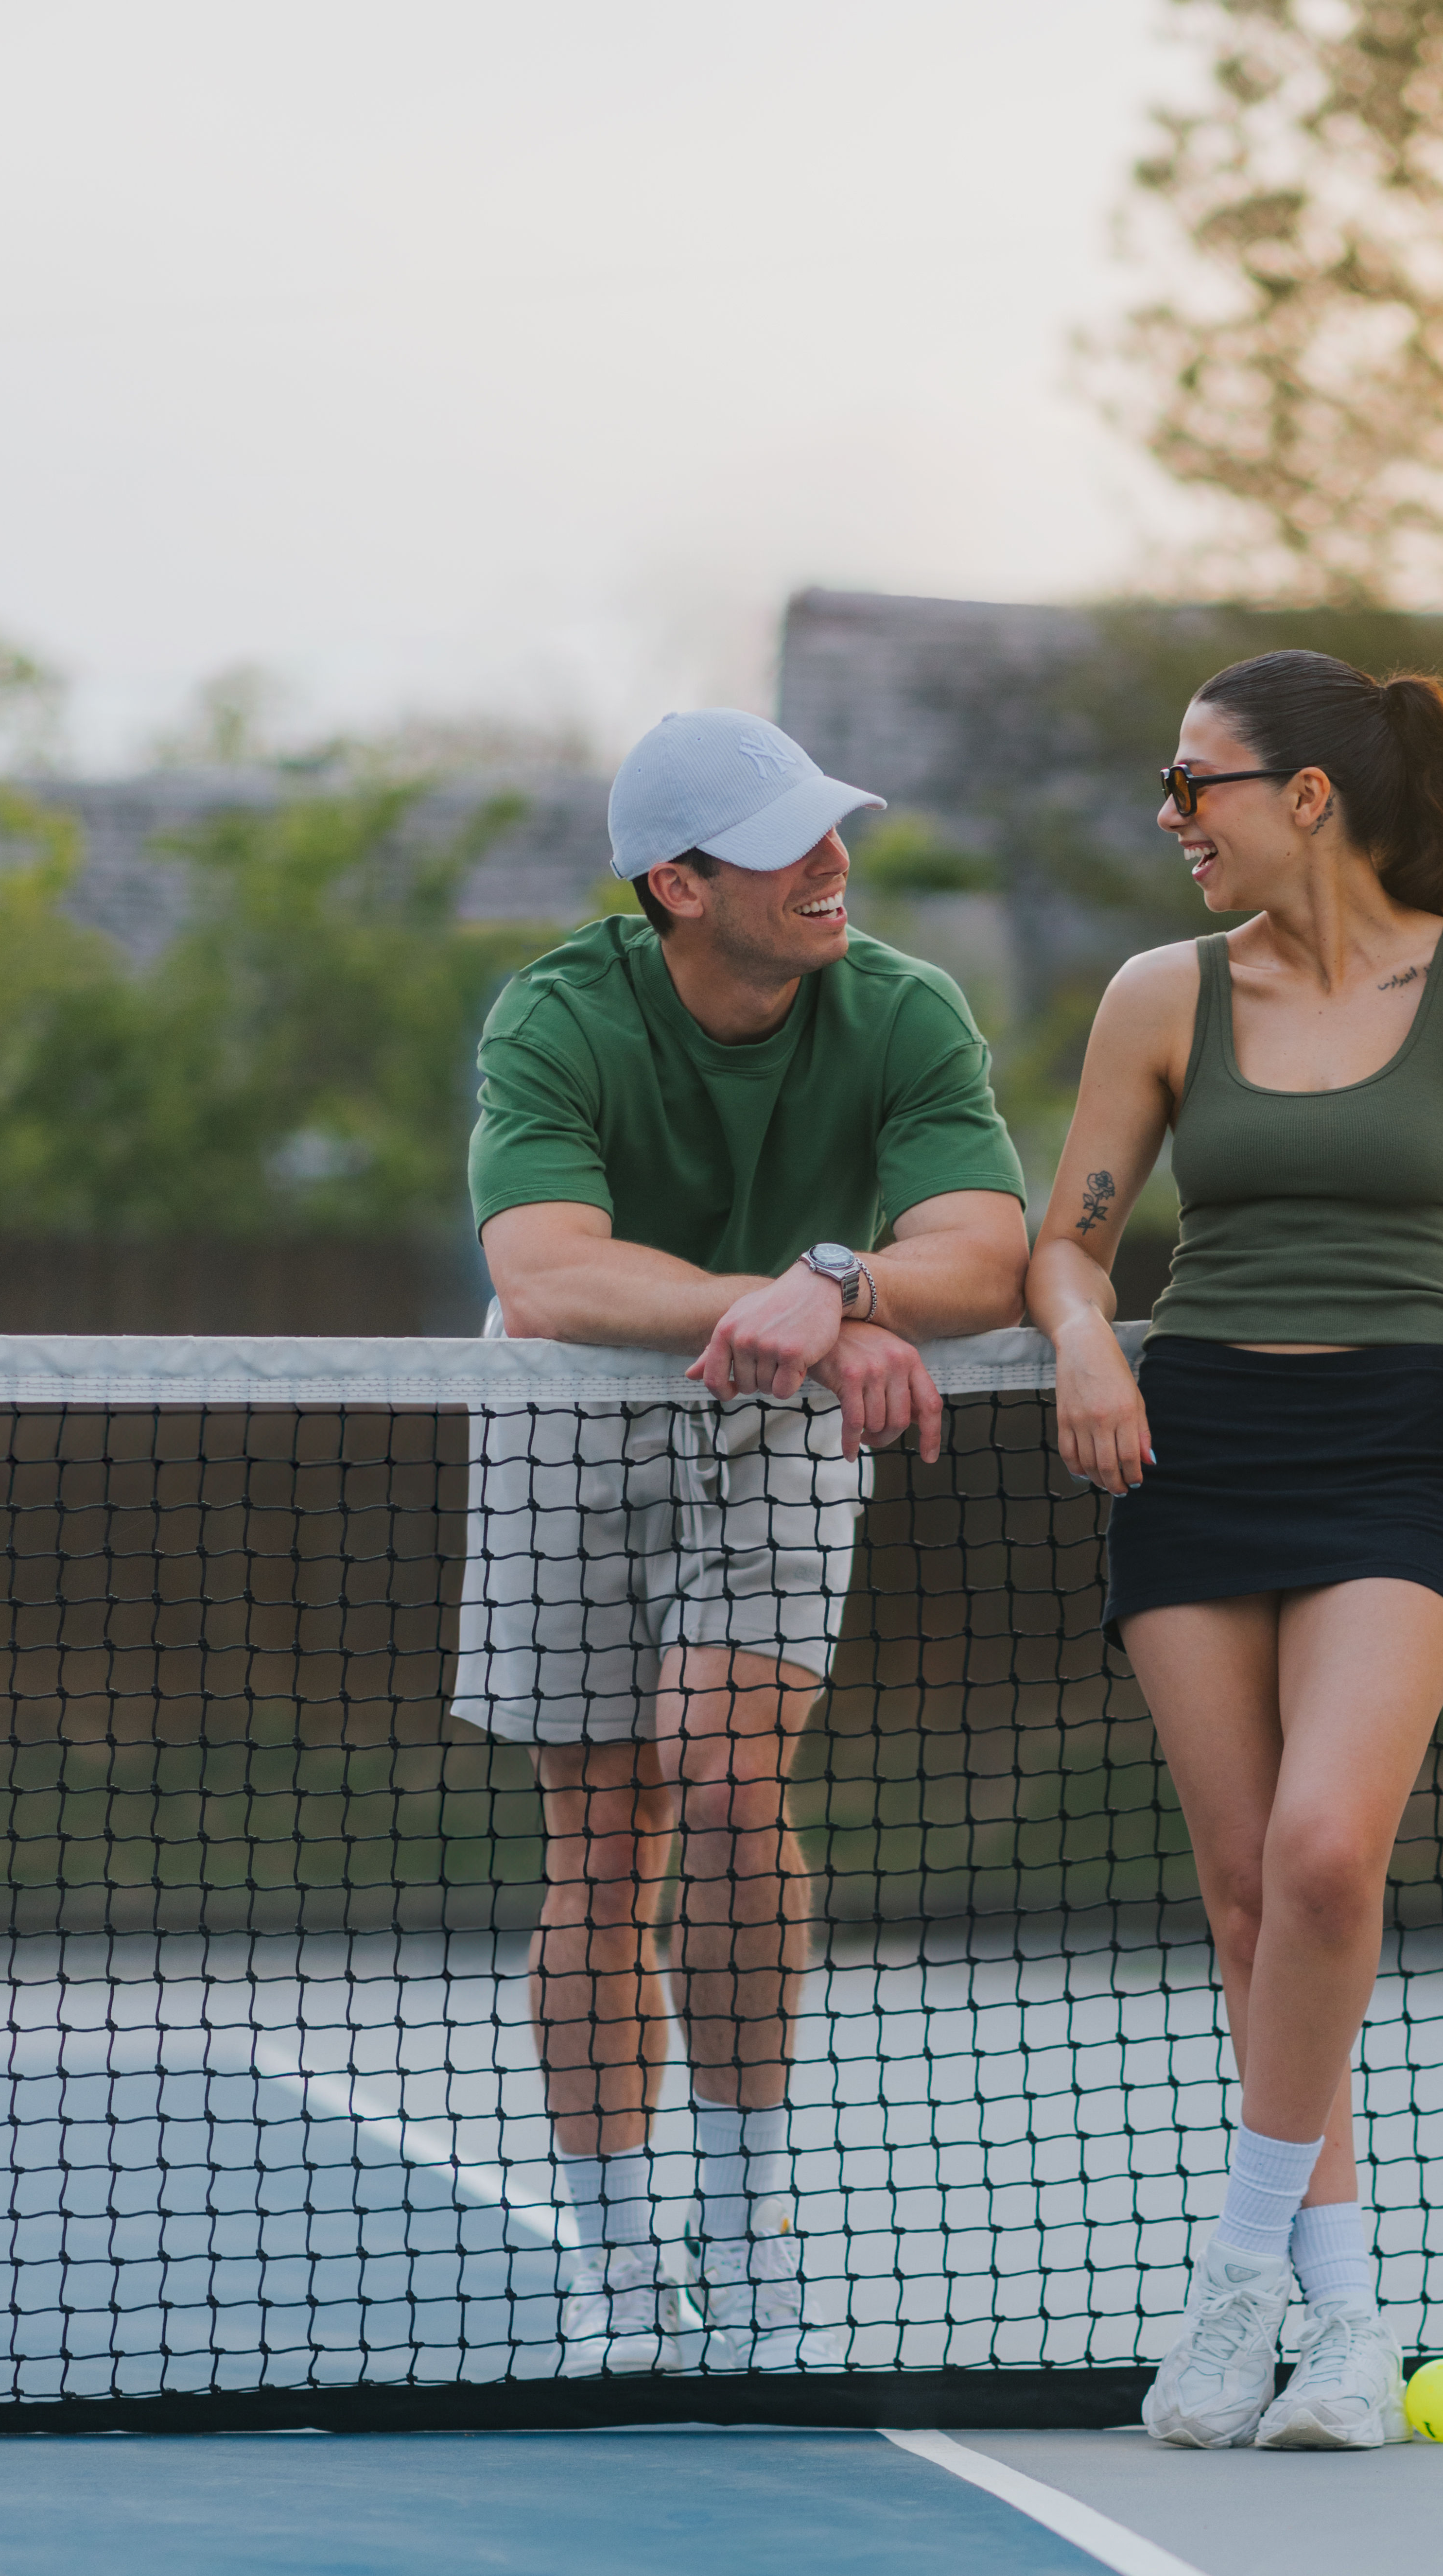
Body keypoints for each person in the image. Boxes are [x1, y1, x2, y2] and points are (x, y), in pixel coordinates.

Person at [1026, 649, 1443, 2450]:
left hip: (1400, 1452)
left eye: (1197, 784)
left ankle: (1235, 2285)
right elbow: (1069, 1242)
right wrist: (1092, 1343)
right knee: (1251, 1895)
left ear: (1308, 795)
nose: (1170, 817)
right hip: (1193, 1452)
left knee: (1330, 1855)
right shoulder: (1156, 995)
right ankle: (1343, 2331)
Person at [453, 708, 1028, 2372]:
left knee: (725, 1778)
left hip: (778, 1417)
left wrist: (834, 1285)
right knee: (601, 1835)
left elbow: (983, 1251)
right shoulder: (558, 1012)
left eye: (830, 824)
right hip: (570, 1401)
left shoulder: (904, 1008)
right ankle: (618, 2266)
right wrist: (792, 1307)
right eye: (785, 841)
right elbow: (549, 1271)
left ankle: (742, 2231)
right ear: (679, 884)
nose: (832, 858)